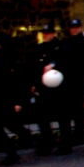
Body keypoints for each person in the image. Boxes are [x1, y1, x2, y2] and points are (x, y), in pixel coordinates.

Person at [0, 37, 29, 165]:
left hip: (2, 101)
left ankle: (15, 150)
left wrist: (17, 102)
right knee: (2, 126)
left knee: (2, 126)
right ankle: (15, 147)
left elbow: (11, 84)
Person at [31, 23, 66, 155]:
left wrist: (54, 65)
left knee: (62, 117)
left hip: (58, 87)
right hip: (43, 87)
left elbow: (66, 63)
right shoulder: (39, 48)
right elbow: (35, 68)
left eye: (48, 33)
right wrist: (34, 84)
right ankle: (47, 142)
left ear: (53, 34)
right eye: (44, 33)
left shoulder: (60, 47)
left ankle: (64, 144)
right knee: (42, 117)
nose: (46, 35)